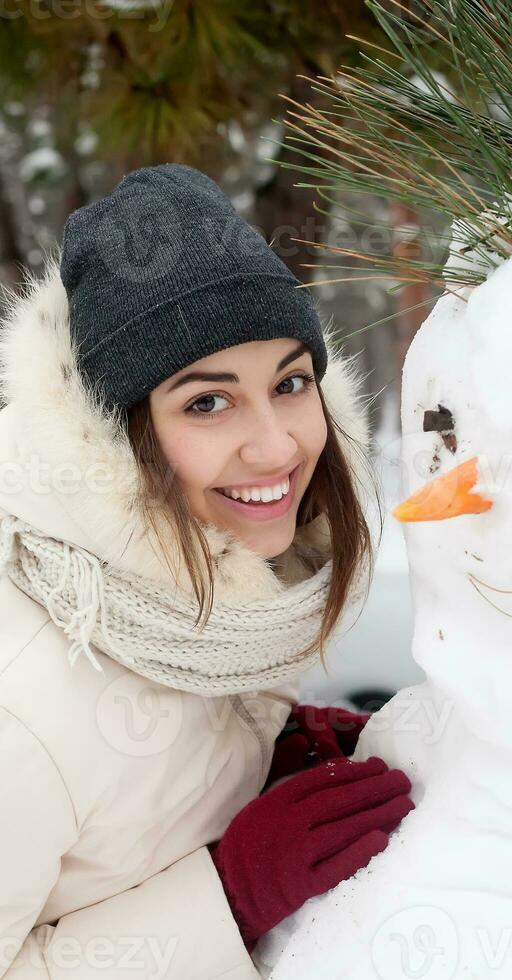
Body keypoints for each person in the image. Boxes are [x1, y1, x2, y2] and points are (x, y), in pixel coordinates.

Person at [0, 163, 415, 979]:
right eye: (205, 402)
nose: (277, 446)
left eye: (290, 383)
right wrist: (229, 894)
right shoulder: (22, 698)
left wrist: (261, 749)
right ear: (113, 437)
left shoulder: (214, 596)